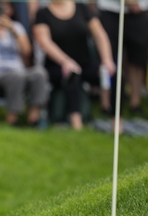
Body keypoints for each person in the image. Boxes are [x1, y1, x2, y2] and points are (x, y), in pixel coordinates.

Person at [33, 0, 115, 130]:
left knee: (115, 75)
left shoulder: (82, 8)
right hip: (56, 66)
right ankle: (77, 124)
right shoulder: (43, 13)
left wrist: (107, 60)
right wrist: (65, 61)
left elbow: (100, 35)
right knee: (72, 73)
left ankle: (116, 121)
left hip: (85, 64)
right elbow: (44, 42)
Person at [0, 1, 49, 126]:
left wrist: (12, 30)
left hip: (18, 70)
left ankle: (34, 118)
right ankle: (12, 119)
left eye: (6, 7)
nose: (3, 11)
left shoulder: (16, 27)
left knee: (39, 73)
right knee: (16, 76)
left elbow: (27, 52)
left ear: (11, 10)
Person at [97, 0, 148, 116]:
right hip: (110, 9)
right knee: (107, 58)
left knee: (137, 60)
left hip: (139, 10)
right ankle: (105, 104)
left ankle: (135, 103)